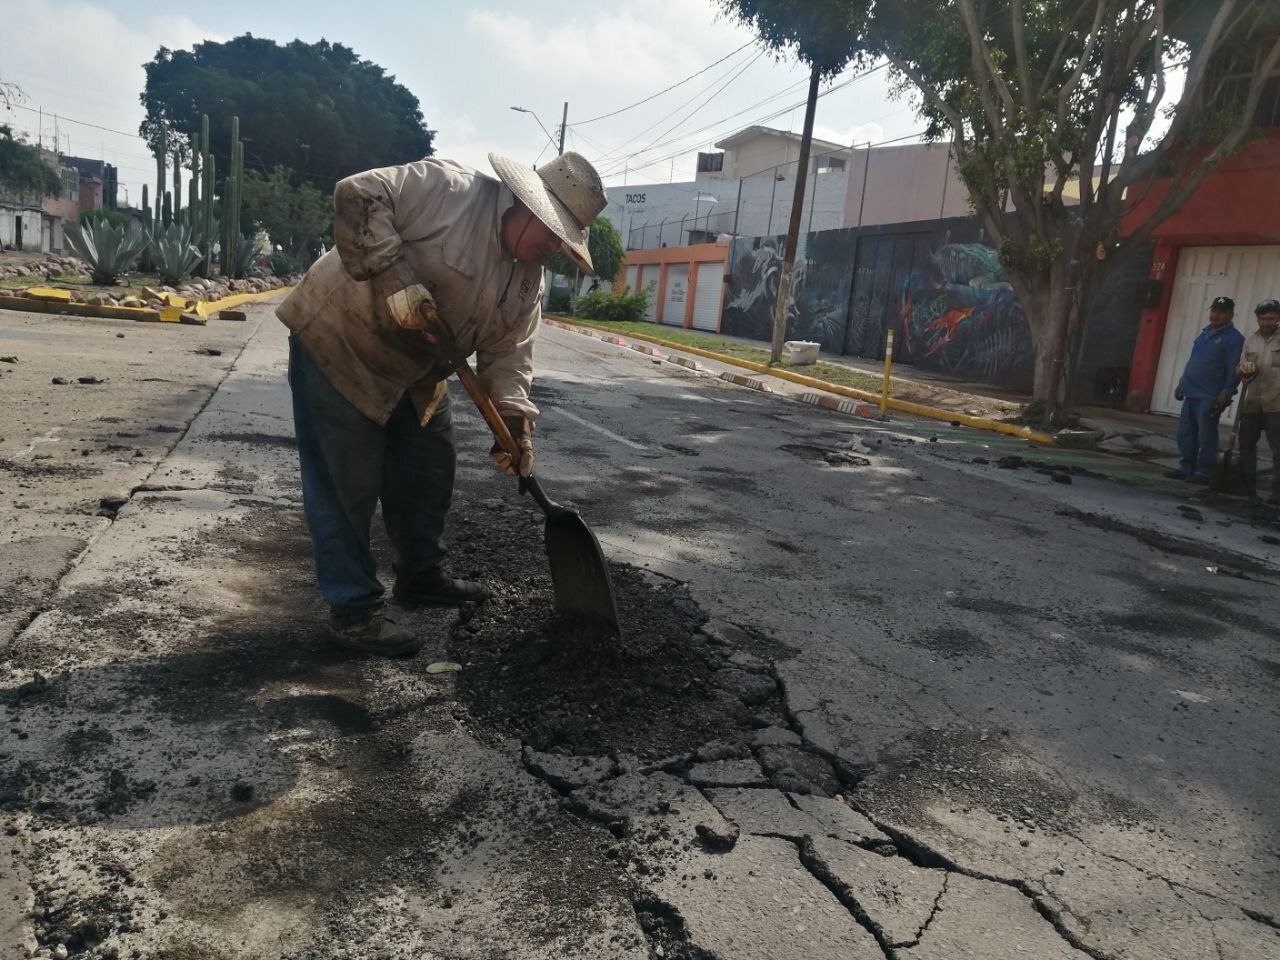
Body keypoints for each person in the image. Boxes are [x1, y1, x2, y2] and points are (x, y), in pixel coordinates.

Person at [276, 151, 607, 656]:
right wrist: (392, 277)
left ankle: (421, 576)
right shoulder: (448, 190)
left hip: (419, 371)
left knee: (429, 469)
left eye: (563, 241)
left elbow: (510, 354)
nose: (552, 248)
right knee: (347, 484)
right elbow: (357, 192)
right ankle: (355, 612)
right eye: (550, 232)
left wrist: (515, 424)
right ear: (526, 204)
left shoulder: (528, 279)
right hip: (343, 342)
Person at [1165, 295, 1245, 484]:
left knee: (1206, 435)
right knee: (1185, 433)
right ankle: (1186, 467)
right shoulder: (1204, 333)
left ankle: (1203, 471)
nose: (1216, 315)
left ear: (1231, 314)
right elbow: (1194, 361)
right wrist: (1182, 384)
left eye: (1222, 312)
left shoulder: (1234, 339)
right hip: (1191, 392)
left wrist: (1226, 392)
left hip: (1210, 396)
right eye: (1214, 311)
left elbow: (1233, 369)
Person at [1237, 298, 1280, 504]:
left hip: (1277, 403)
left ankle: (1277, 493)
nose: (1266, 322)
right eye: (1262, 318)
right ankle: (1248, 489)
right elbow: (1241, 366)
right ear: (1257, 318)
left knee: (1278, 449)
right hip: (1253, 402)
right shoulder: (1250, 341)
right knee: (1246, 446)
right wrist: (1243, 374)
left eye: (1271, 318)